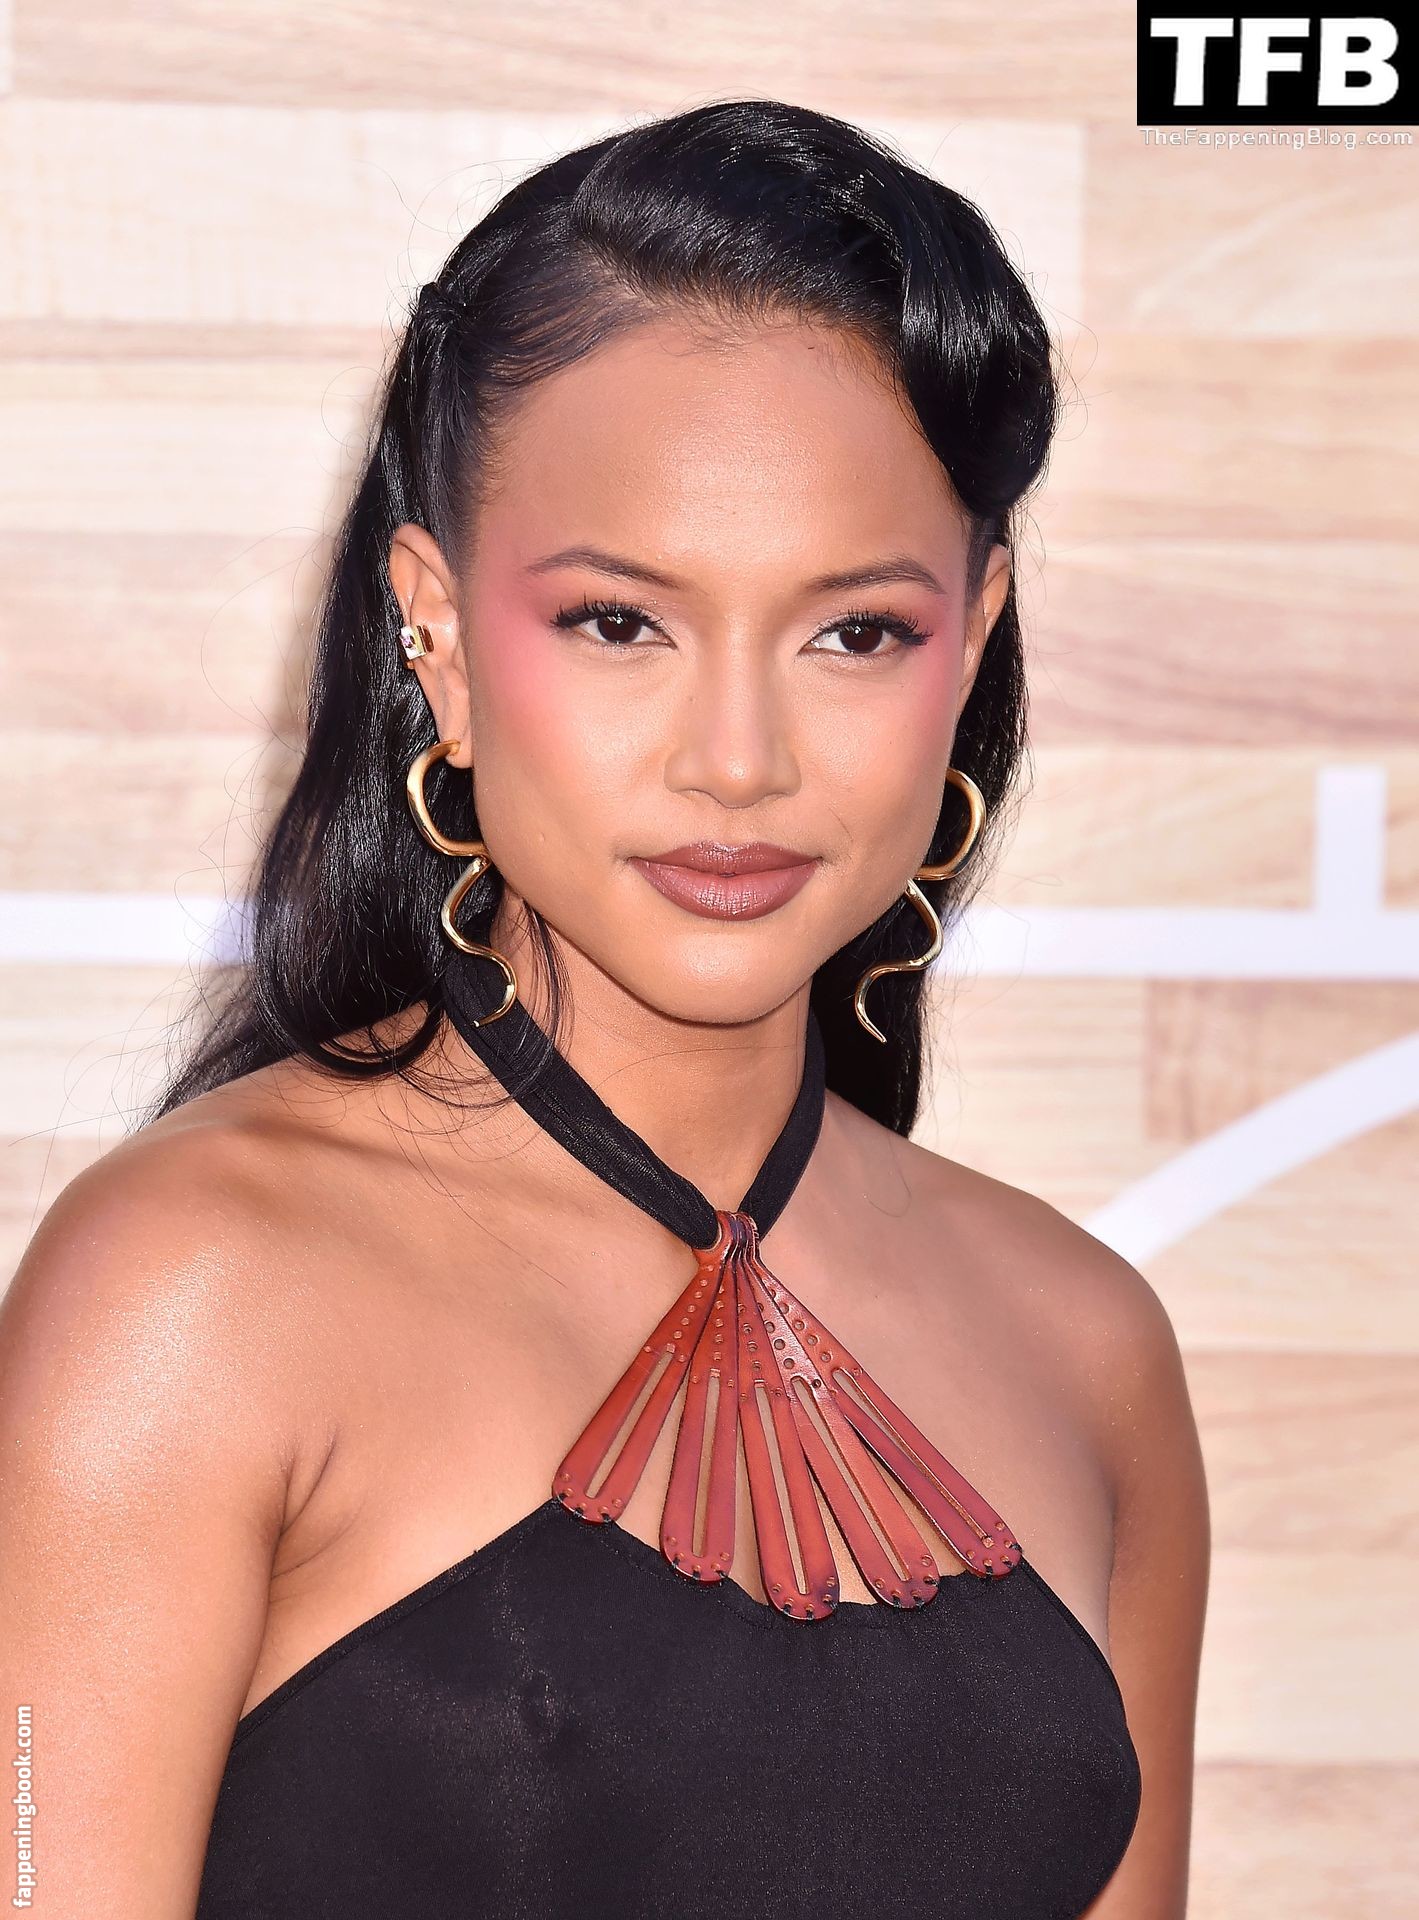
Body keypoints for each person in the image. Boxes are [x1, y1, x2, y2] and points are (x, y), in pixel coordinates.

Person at [0, 97, 1209, 1919]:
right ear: (434, 632)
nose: (737, 759)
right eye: (620, 623)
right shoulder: (190, 1292)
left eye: (856, 633)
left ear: (972, 640)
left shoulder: (1086, 1348)